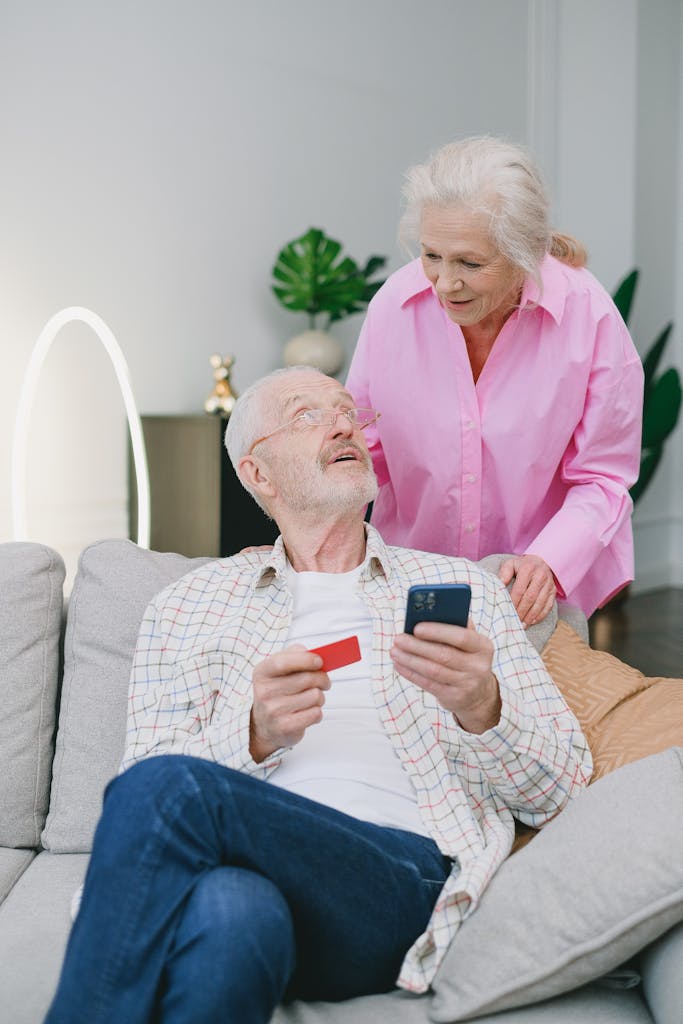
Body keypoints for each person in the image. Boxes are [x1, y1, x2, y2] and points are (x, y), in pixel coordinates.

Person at [45, 366, 591, 1024]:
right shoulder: (190, 606)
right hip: (245, 879)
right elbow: (140, 789)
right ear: (257, 475)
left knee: (177, 792)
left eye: (347, 412)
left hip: (390, 882)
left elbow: (563, 788)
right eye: (306, 414)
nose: (341, 424)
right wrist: (253, 736)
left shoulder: (465, 591)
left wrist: (483, 709)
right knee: (233, 913)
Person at [346, 135, 644, 625]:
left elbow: (603, 477)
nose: (444, 283)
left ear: (524, 253)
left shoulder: (587, 316)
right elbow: (362, 448)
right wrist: (307, 539)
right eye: (431, 255)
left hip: (536, 589)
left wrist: (545, 563)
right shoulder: (394, 306)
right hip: (412, 578)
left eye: (470, 262)